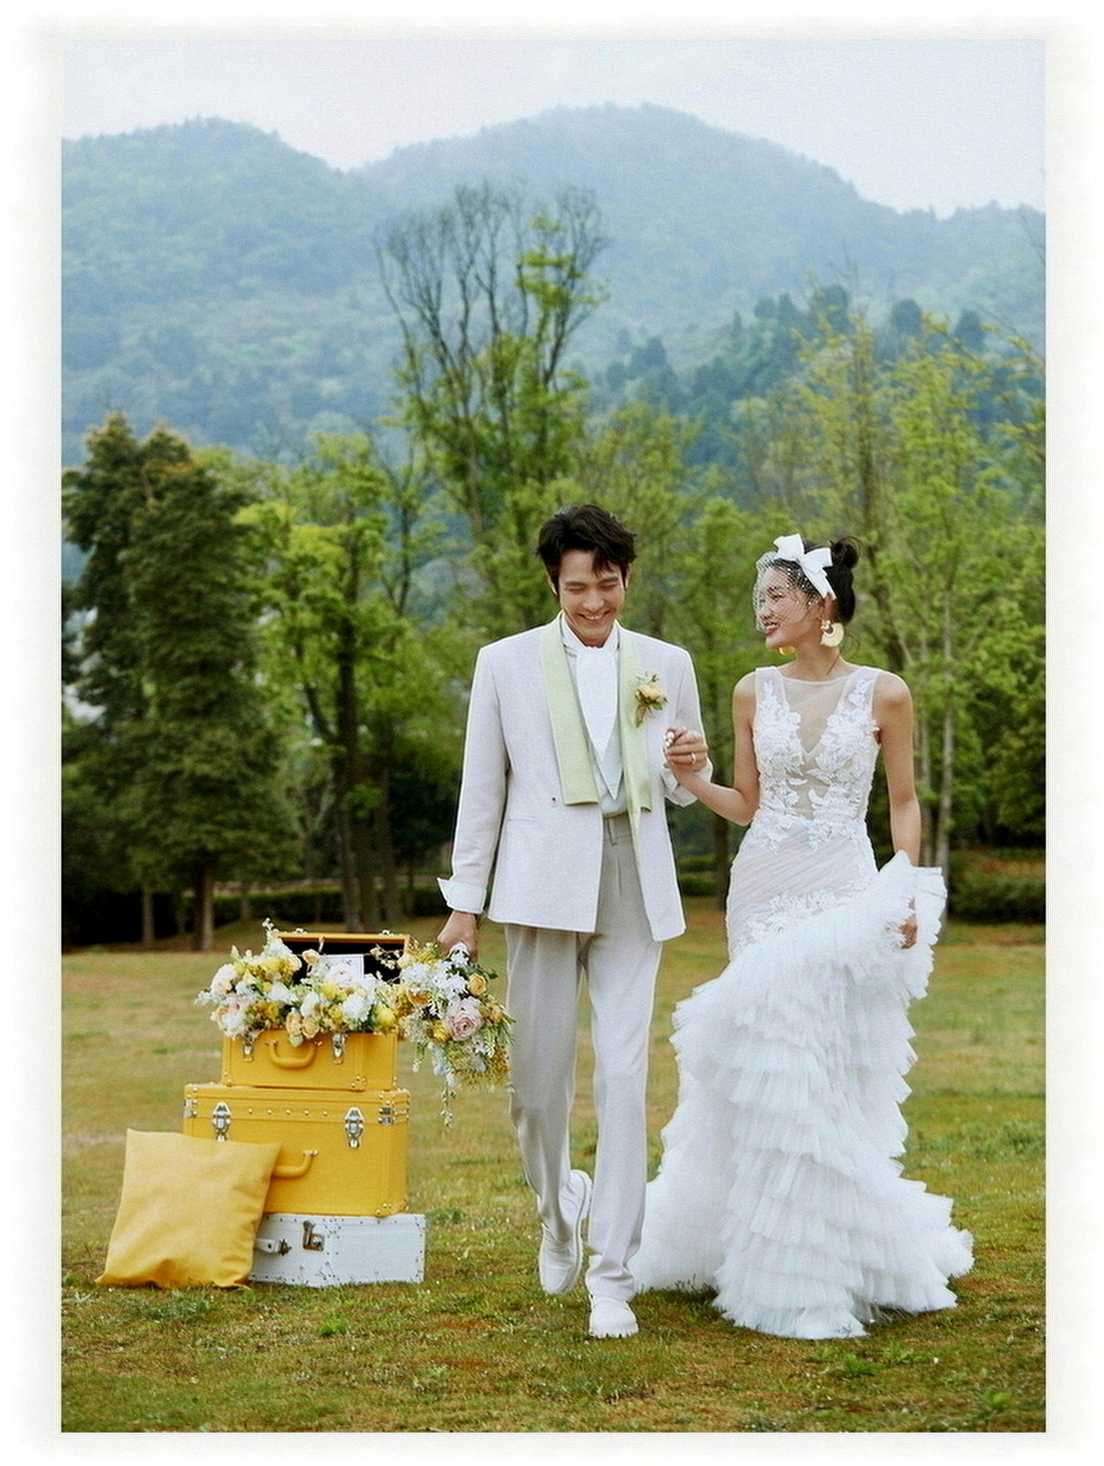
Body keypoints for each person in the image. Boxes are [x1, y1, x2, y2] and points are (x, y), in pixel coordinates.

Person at [632, 532, 974, 1339]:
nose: (762, 610)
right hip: (763, 887)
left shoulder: (886, 693)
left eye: (775, 597)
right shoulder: (752, 690)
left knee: (826, 1069)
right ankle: (763, 1253)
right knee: (773, 1065)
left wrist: (904, 889)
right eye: (760, 598)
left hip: (846, 885)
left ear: (821, 604)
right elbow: (745, 803)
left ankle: (832, 1251)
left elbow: (903, 801)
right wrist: (689, 776)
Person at [436, 504, 711, 1339]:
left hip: (632, 876)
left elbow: (678, 785)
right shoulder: (503, 664)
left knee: (625, 1079)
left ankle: (613, 1278)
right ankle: (559, 1208)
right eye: (577, 587)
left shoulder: (668, 662)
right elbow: (483, 789)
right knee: (536, 1085)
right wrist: (463, 907)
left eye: (608, 584)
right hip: (539, 885)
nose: (594, 602)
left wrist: (689, 767)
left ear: (627, 580)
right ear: (554, 585)